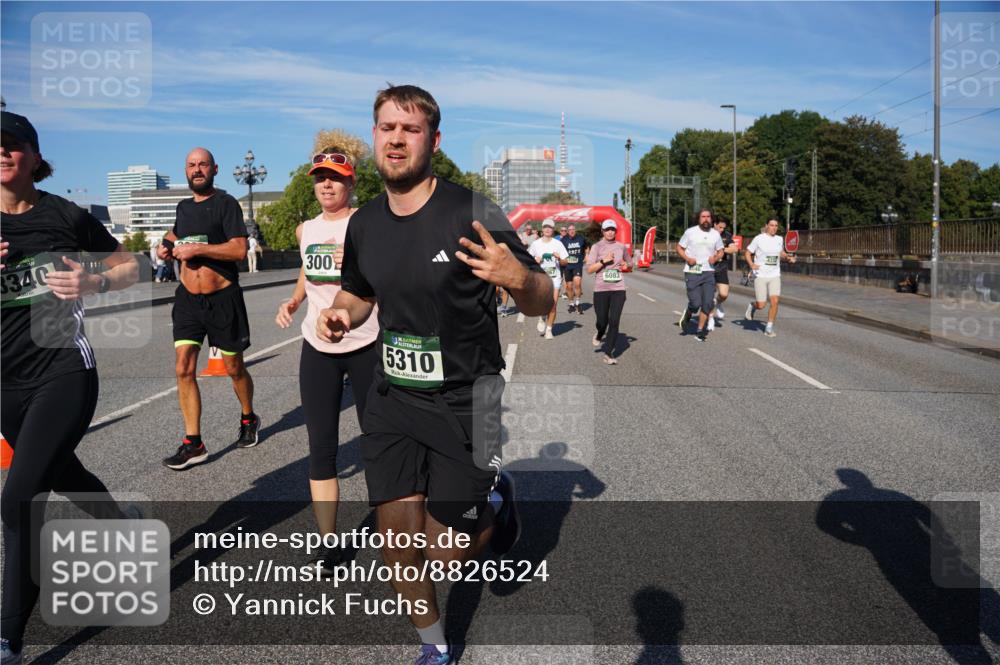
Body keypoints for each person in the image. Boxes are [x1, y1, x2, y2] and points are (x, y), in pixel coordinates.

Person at [315, 84, 552, 665]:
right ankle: (435, 647)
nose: (396, 139)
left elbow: (544, 300)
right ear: (374, 137)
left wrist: (516, 277)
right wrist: (342, 316)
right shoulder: (364, 223)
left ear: (433, 141)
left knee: (448, 554)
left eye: (410, 129)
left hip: (471, 399)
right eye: (386, 127)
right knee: (398, 541)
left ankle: (498, 500)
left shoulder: (472, 211)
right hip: (394, 395)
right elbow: (359, 293)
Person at [0, 111, 140, 665]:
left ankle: (8, 637)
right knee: (62, 472)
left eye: (13, 146)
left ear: (35, 156)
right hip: (4, 382)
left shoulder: (65, 215)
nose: (3, 154)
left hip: (63, 371)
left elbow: (132, 264)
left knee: (19, 497)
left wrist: (95, 280)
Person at [275, 131, 379, 571]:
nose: (326, 186)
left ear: (350, 183)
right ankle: (330, 541)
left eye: (335, 178)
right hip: (317, 347)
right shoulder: (306, 229)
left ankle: (395, 528)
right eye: (320, 178)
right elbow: (306, 265)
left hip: (365, 343)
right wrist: (296, 299)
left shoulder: (367, 224)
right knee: (322, 448)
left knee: (378, 444)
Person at [157, 147, 260, 470]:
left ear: (215, 169)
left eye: (203, 165)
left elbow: (239, 249)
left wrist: (198, 248)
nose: (197, 170)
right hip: (188, 299)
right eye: (191, 165)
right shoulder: (183, 207)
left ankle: (248, 417)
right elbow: (174, 234)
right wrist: (166, 246)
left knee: (233, 368)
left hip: (222, 299)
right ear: (185, 170)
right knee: (183, 368)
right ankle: (194, 443)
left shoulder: (226, 203)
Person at [586, 219, 631, 364]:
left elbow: (631, 263)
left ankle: (609, 353)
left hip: (618, 289)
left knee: (614, 321)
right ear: (602, 231)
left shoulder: (621, 247)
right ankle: (600, 333)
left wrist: (626, 264)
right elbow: (589, 270)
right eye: (607, 229)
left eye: (612, 229)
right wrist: (603, 261)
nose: (610, 232)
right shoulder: (596, 247)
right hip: (601, 289)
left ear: (616, 231)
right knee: (602, 321)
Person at [676, 209, 724, 342]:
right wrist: (687, 258)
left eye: (708, 217)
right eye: (703, 217)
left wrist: (715, 258)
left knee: (708, 303)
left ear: (711, 219)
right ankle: (689, 311)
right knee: (695, 303)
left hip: (708, 271)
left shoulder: (715, 234)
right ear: (698, 219)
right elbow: (679, 248)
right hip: (692, 271)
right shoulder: (690, 232)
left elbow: (721, 251)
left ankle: (700, 330)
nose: (706, 219)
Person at [744, 218, 797, 337]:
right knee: (761, 305)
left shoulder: (779, 239)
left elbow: (780, 253)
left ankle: (769, 327)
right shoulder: (759, 238)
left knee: (775, 301)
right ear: (766, 225)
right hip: (761, 275)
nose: (774, 227)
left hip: (774, 275)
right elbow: (747, 253)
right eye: (771, 225)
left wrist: (788, 258)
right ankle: (753, 306)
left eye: (776, 226)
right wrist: (752, 265)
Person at [528, 218, 569, 339]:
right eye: (545, 227)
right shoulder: (536, 244)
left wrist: (559, 258)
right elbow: (528, 261)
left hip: (555, 277)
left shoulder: (558, 244)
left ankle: (549, 329)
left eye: (550, 227)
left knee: (553, 304)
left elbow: (565, 262)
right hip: (540, 279)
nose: (547, 229)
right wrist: (535, 261)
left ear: (553, 229)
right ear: (542, 229)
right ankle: (541, 317)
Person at [709, 216, 739, 328]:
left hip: (721, 267)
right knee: (710, 295)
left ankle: (719, 303)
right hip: (709, 268)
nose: (721, 229)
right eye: (720, 227)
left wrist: (722, 249)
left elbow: (734, 249)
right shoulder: (708, 234)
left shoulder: (726, 235)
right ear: (714, 224)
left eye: (723, 228)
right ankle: (710, 319)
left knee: (723, 294)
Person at [561, 223, 588, 314]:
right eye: (570, 230)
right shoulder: (563, 240)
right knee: (569, 286)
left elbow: (586, 247)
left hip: (578, 265)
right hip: (567, 266)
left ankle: (577, 302)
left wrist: (587, 255)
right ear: (568, 231)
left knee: (577, 283)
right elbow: (559, 251)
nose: (571, 231)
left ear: (575, 230)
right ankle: (571, 304)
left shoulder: (581, 238)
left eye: (573, 229)